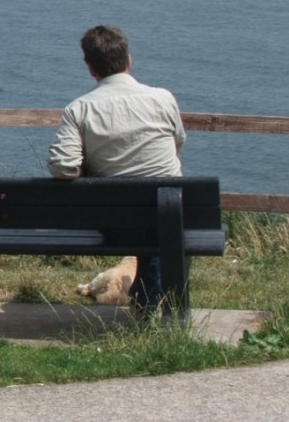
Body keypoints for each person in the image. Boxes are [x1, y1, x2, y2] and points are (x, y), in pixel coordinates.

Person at [48, 25, 186, 315]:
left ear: (90, 68)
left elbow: (62, 168)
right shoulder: (164, 99)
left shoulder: (80, 109)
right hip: (167, 217)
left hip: (115, 221)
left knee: (137, 219)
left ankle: (147, 300)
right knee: (159, 220)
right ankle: (159, 305)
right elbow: (176, 146)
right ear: (129, 60)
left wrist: (86, 166)